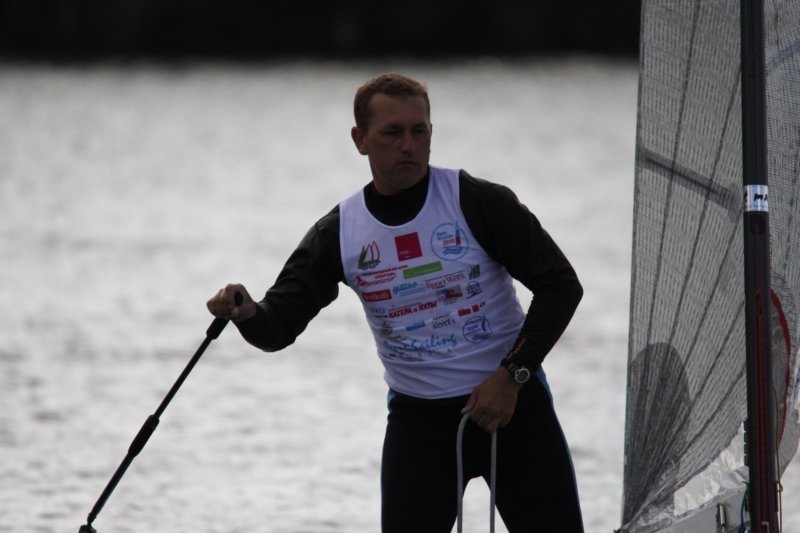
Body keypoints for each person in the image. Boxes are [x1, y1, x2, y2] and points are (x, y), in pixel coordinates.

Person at [207, 72, 584, 532]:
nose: (408, 145)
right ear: (360, 140)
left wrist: (512, 375)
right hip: (420, 426)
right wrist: (246, 312)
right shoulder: (340, 233)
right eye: (392, 132)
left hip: (513, 406)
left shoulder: (478, 203)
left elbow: (561, 285)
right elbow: (277, 326)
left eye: (419, 131)